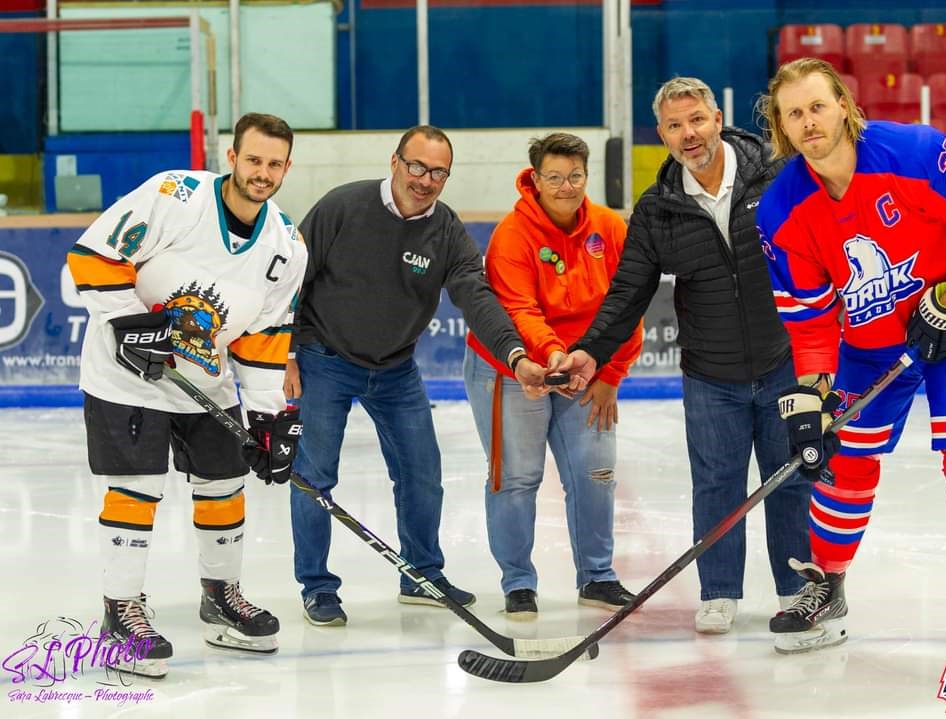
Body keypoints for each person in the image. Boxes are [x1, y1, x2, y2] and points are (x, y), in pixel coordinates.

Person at [755, 58, 946, 659]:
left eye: (817, 106)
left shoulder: (917, 153)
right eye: (794, 113)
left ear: (844, 106)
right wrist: (815, 399)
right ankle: (827, 586)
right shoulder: (780, 211)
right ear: (781, 126)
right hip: (870, 348)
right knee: (842, 462)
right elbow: (811, 322)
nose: (808, 122)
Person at [557, 77, 812, 634]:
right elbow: (628, 292)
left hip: (784, 361)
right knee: (717, 484)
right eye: (674, 126)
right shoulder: (659, 208)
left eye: (696, 119)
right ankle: (719, 591)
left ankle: (798, 590)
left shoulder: (776, 174)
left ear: (717, 119)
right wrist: (590, 352)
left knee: (791, 478)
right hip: (711, 373)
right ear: (663, 135)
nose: (688, 133)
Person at [68, 113, 307, 677]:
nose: (263, 172)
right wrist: (132, 325)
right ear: (232, 157)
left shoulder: (286, 246)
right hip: (127, 375)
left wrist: (268, 418)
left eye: (275, 164)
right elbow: (93, 256)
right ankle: (120, 612)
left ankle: (221, 598)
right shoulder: (175, 196)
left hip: (206, 382)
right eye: (254, 159)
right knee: (137, 487)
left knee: (224, 484)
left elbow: (265, 338)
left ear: (286, 168)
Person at [287, 124, 548, 626]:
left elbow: (477, 298)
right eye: (417, 166)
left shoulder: (445, 230)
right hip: (325, 359)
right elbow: (291, 279)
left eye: (438, 173)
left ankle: (422, 575)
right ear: (394, 162)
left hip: (395, 368)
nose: (425, 180)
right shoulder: (342, 206)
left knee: (422, 473)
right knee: (314, 478)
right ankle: (316, 587)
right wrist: (287, 352)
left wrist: (516, 355)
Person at [463, 133, 644, 619]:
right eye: (555, 177)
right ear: (535, 179)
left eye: (576, 176)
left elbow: (628, 303)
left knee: (595, 473)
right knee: (516, 477)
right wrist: (554, 355)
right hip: (514, 366)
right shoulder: (512, 235)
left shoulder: (609, 227)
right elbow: (519, 309)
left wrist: (612, 373)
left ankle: (598, 577)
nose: (567, 187)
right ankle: (518, 583)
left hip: (587, 368)